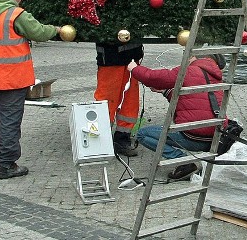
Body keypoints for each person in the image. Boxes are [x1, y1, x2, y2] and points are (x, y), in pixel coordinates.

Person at [0, 0, 61, 179]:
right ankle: (7, 165)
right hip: (11, 78)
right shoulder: (15, 14)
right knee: (9, 122)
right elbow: (39, 32)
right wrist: (57, 29)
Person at [127, 53, 225, 181]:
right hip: (216, 136)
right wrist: (164, 91)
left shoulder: (188, 70)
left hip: (194, 136)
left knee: (143, 134)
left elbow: (153, 77)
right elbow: (190, 98)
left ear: (194, 57)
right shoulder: (214, 75)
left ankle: (183, 161)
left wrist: (134, 68)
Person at [94, 40, 144, 157]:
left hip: (131, 59)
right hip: (110, 58)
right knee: (107, 100)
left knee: (129, 101)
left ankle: (122, 138)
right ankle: (100, 138)